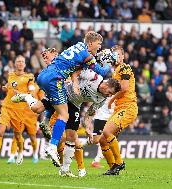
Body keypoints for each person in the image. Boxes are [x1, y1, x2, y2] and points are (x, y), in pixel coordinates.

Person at [12, 31, 111, 167]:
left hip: (43, 75)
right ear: (91, 43)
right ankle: (52, 147)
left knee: (39, 108)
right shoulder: (86, 55)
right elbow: (102, 71)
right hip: (55, 79)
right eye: (98, 44)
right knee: (64, 114)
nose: (99, 47)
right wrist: (109, 61)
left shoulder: (77, 46)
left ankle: (28, 99)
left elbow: (77, 66)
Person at [0, 55, 42, 166]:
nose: (20, 63)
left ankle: (20, 152)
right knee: (0, 131)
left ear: (25, 64)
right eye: (18, 61)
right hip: (7, 107)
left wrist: (21, 94)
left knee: (18, 136)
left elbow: (31, 93)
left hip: (21, 111)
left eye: (22, 61)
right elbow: (9, 85)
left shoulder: (29, 77)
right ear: (15, 64)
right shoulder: (10, 75)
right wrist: (6, 87)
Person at [99, 45, 138, 175]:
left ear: (123, 56)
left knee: (106, 131)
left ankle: (119, 162)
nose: (117, 57)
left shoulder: (125, 67)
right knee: (102, 140)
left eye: (119, 55)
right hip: (120, 108)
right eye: (114, 55)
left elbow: (125, 87)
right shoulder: (115, 72)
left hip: (128, 106)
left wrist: (110, 99)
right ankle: (113, 168)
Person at [7, 73, 44, 164]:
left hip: (31, 117)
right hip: (20, 115)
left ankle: (35, 154)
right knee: (16, 135)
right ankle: (12, 156)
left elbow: (42, 101)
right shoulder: (20, 86)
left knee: (32, 137)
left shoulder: (38, 88)